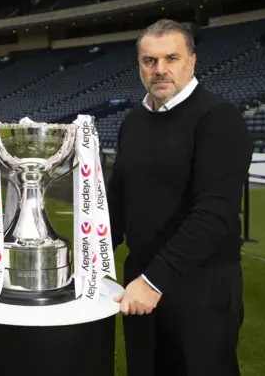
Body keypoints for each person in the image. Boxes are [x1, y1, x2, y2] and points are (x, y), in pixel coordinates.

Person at [108, 19, 253, 376]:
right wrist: (86, 261)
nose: (160, 70)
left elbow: (214, 215)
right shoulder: (133, 122)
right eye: (149, 61)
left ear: (192, 61)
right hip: (141, 288)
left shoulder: (219, 118)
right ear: (139, 65)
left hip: (201, 290)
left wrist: (155, 280)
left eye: (171, 58)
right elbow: (118, 204)